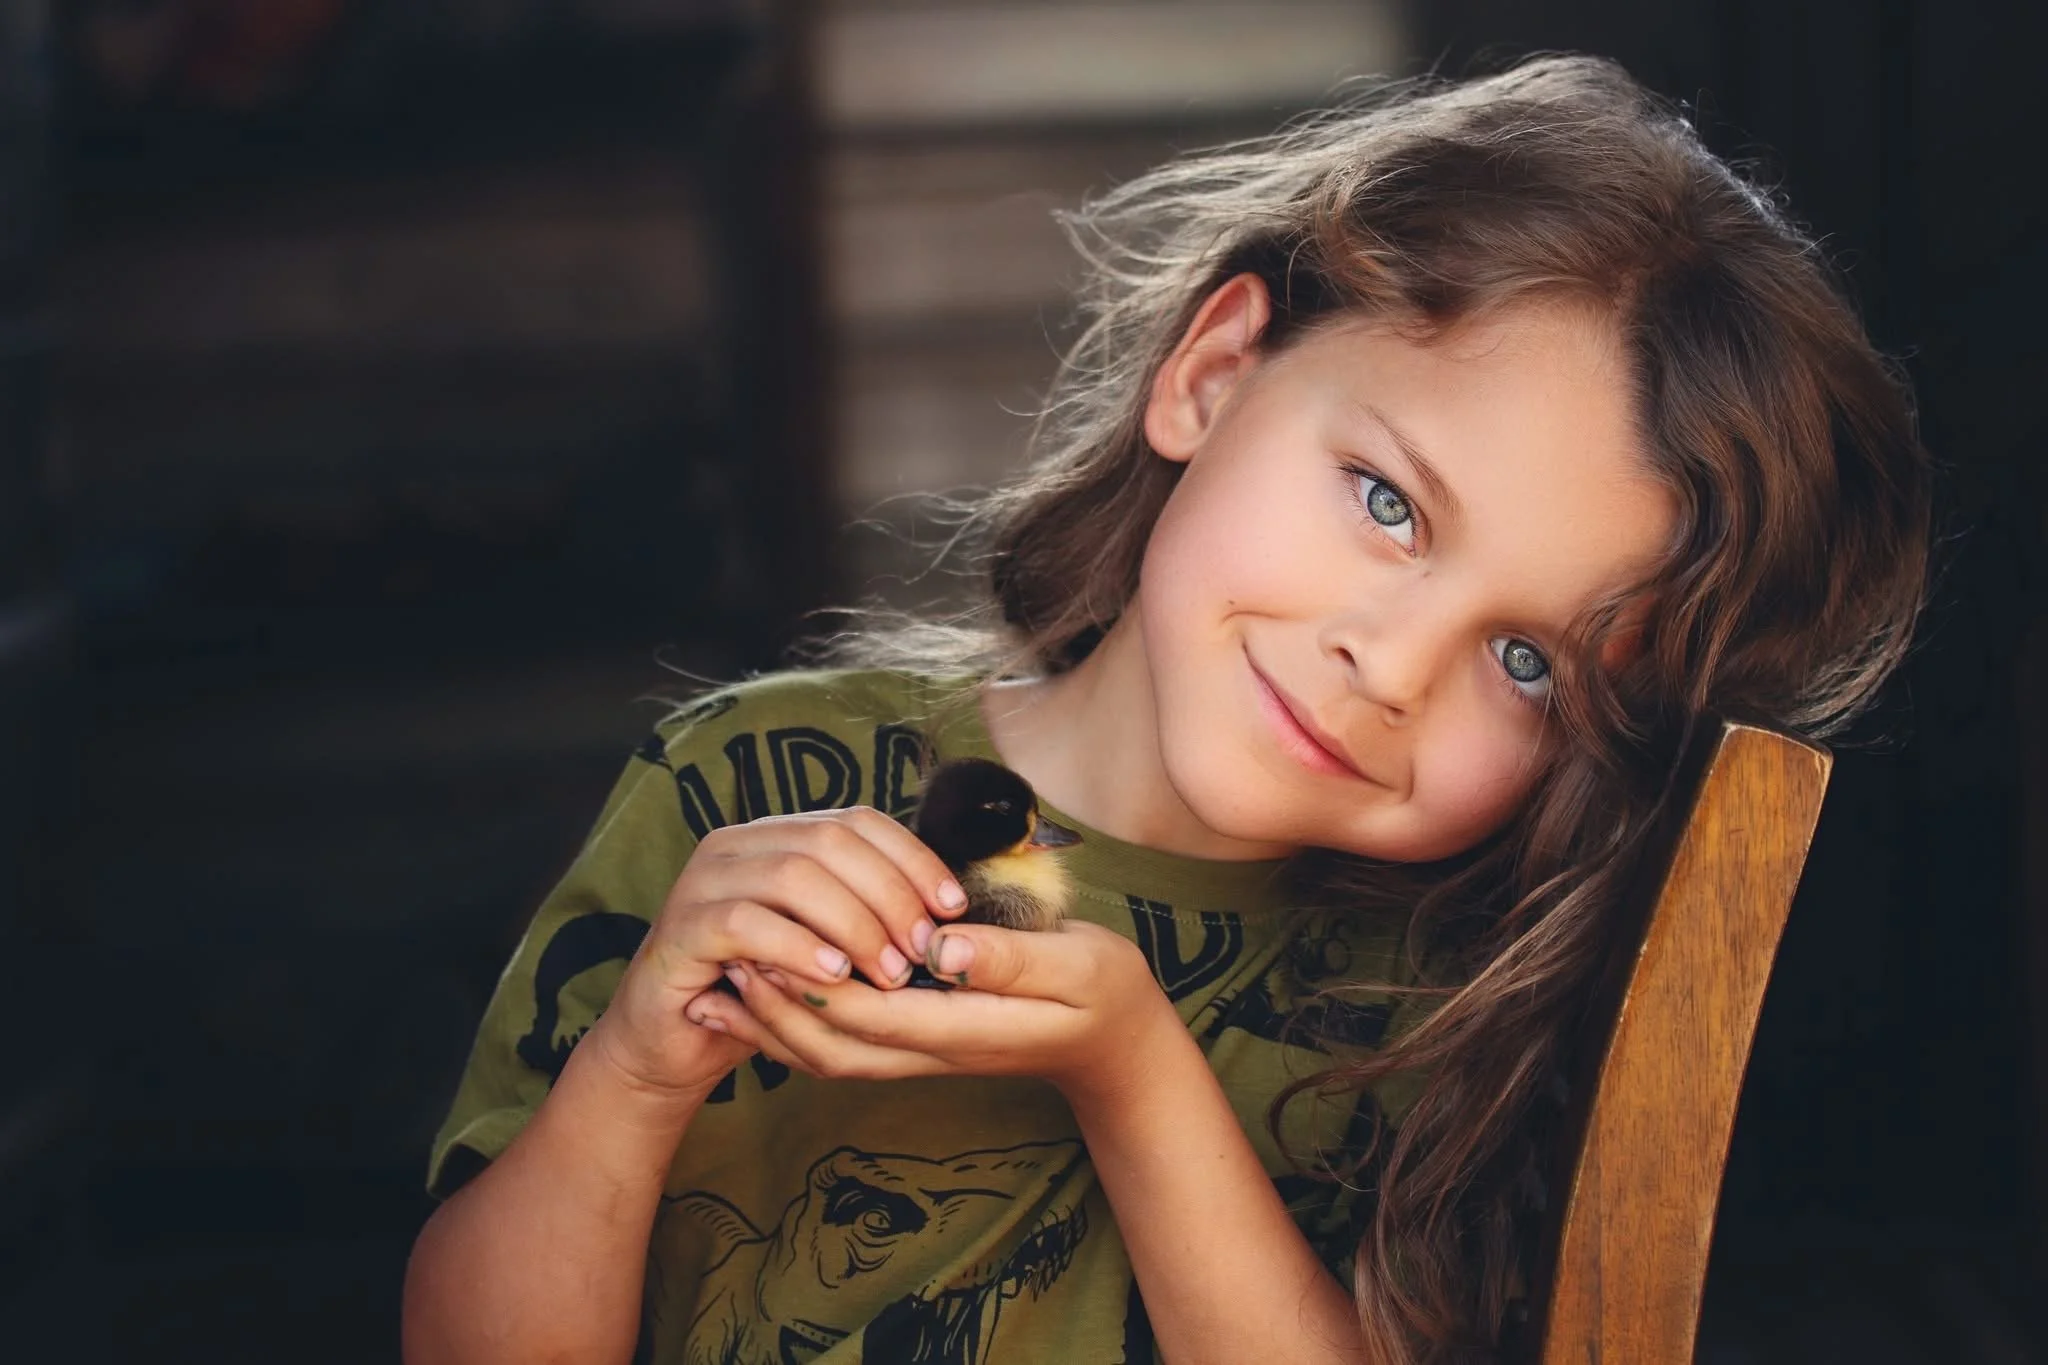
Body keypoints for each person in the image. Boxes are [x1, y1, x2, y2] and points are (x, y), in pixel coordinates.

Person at [400, 54, 1931, 1365]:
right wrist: (635, 1071)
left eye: (1531, 665)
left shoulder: (1448, 998)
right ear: (1210, 372)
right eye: (1389, 503)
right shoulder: (749, 782)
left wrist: (1133, 1071)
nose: (1390, 667)